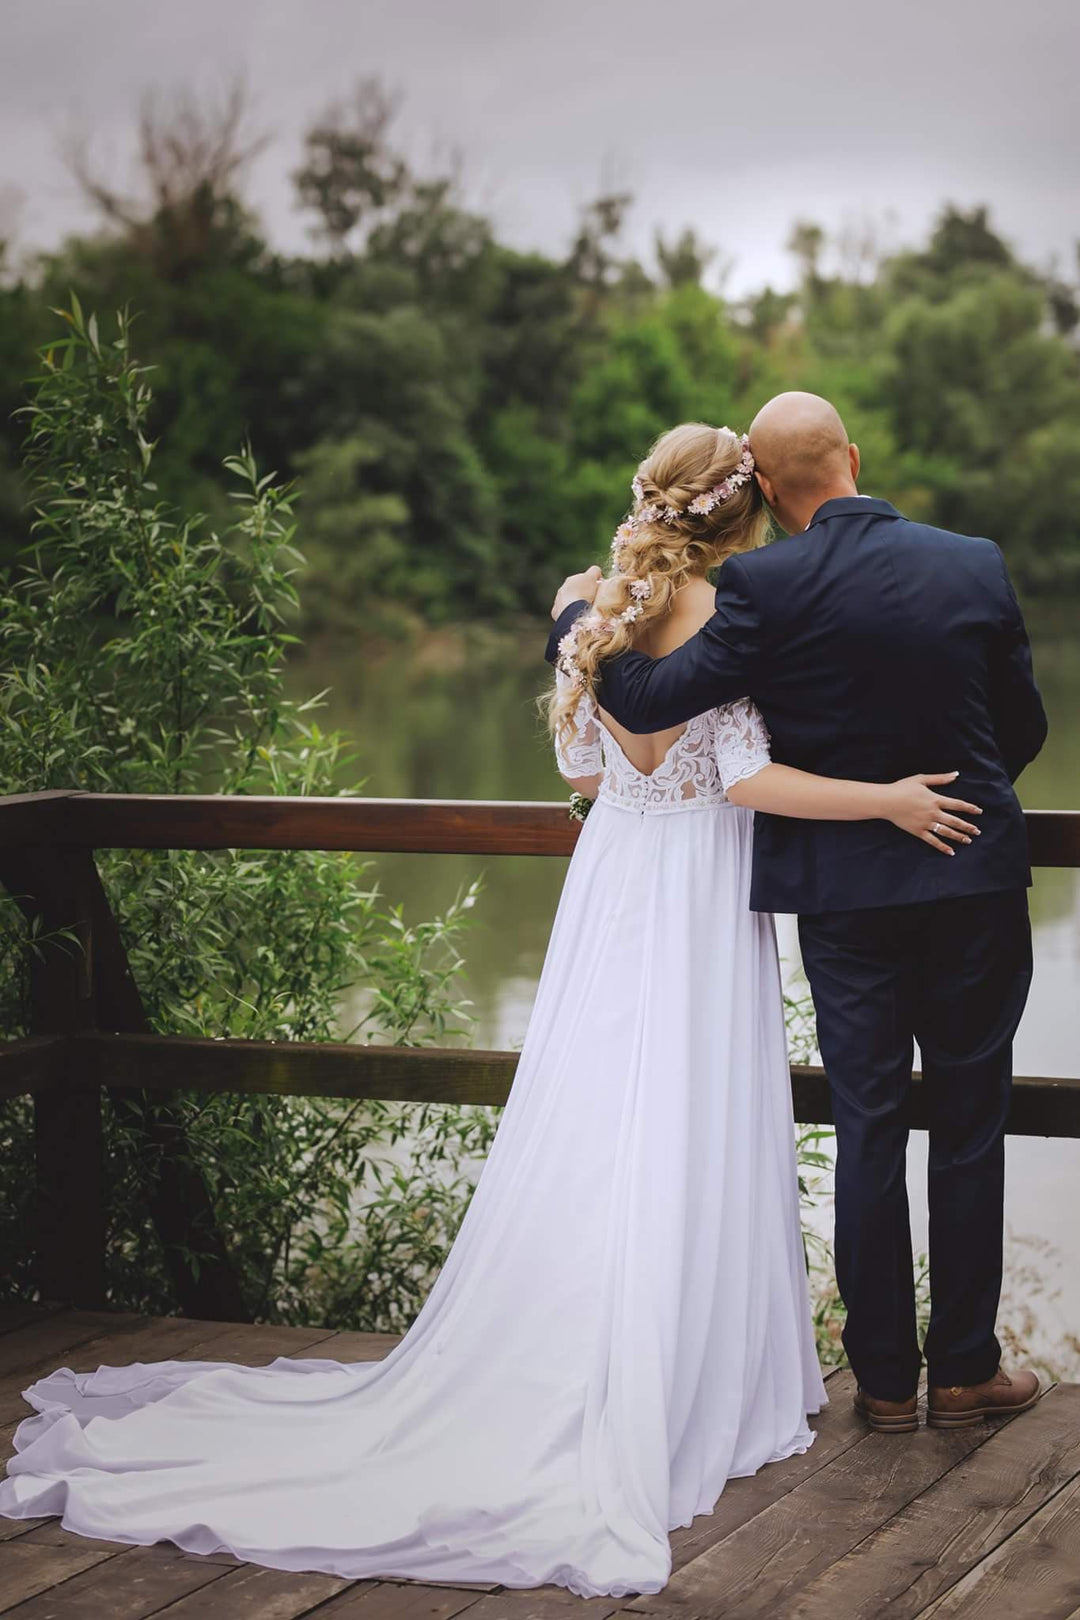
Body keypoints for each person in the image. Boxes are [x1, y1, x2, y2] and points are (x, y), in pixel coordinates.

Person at [0, 423, 998, 1602]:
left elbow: (586, 769)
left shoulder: (589, 602)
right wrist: (884, 796)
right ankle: (693, 1369)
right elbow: (742, 778)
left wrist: (626, 728)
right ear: (742, 514)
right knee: (689, 1119)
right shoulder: (730, 617)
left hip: (617, 884)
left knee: (599, 1117)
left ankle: (594, 1344)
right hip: (696, 898)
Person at [548, 393, 1048, 1436]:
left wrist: (572, 621)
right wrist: (941, 794)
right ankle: (963, 1372)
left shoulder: (763, 584)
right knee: (970, 1127)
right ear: (854, 457)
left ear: (770, 490)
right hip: (971, 880)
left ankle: (879, 1382)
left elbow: (642, 701)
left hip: (842, 898)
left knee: (868, 1125)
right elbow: (1022, 730)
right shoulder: (976, 561)